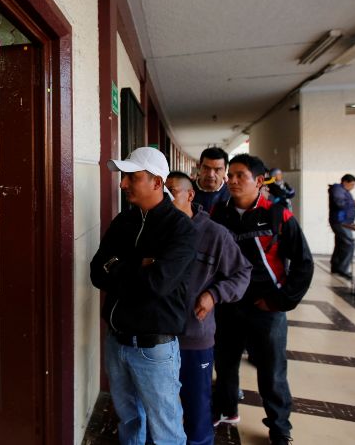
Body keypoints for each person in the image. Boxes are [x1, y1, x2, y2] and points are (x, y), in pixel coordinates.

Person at [90, 147, 197, 445]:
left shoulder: (181, 229)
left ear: (157, 182)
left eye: (132, 177)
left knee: (166, 432)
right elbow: (97, 273)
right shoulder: (123, 221)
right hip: (116, 343)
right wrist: (140, 264)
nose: (122, 184)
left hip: (154, 350)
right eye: (124, 177)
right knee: (129, 421)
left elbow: (157, 285)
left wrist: (117, 266)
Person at [210, 154, 314, 445]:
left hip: (266, 309)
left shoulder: (277, 215)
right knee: (225, 364)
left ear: (258, 181)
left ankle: (279, 427)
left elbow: (304, 262)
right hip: (228, 306)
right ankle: (225, 409)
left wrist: (281, 301)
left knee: (272, 371)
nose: (232, 181)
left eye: (239, 175)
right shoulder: (219, 214)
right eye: (230, 175)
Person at [165, 172, 252, 445]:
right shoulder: (158, 230)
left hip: (194, 338)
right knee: (160, 406)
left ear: (190, 195)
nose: (166, 198)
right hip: (158, 337)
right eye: (162, 192)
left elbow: (242, 273)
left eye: (172, 192)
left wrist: (213, 294)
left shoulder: (215, 234)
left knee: (197, 407)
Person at [328, 174, 355, 279]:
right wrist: (353, 202)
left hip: (344, 222)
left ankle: (336, 267)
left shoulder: (344, 191)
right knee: (349, 244)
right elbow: (340, 203)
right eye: (352, 184)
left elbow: (346, 206)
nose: (353, 187)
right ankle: (343, 269)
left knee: (341, 244)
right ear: (345, 182)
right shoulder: (338, 190)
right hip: (340, 222)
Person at [192, 147, 230, 213]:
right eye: (206, 168)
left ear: (225, 171)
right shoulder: (185, 191)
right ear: (199, 167)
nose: (211, 175)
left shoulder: (232, 195)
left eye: (217, 169)